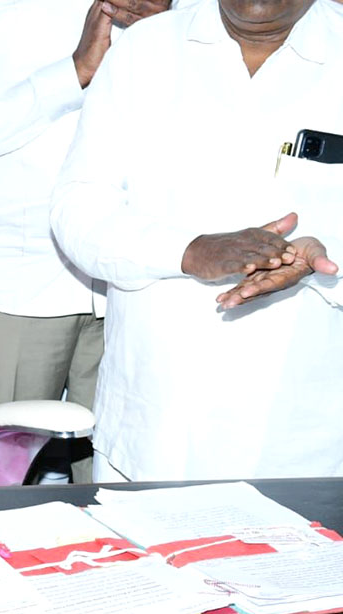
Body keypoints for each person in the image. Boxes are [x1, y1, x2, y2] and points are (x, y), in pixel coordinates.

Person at [51, 0, 342, 482]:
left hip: (302, 439)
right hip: (154, 428)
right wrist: (188, 252)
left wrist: (321, 251)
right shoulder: (146, 49)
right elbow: (76, 211)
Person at [0, 0, 176, 485]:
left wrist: (172, 41)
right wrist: (73, 73)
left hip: (142, 283)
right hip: (12, 288)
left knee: (130, 505)